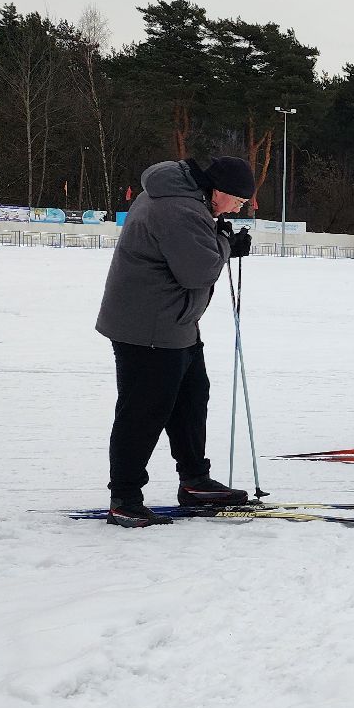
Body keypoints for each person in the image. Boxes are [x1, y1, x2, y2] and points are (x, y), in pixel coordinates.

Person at [96, 156, 256, 527]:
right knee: (143, 411)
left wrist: (219, 238)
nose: (238, 208)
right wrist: (227, 244)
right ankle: (125, 496)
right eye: (238, 201)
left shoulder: (186, 200)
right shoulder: (179, 208)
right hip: (149, 327)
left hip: (174, 323)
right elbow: (197, 271)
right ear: (219, 191)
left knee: (190, 399)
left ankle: (194, 480)